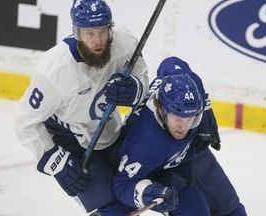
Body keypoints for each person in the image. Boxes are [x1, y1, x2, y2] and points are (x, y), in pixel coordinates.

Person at [13, 0, 148, 214]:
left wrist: (135, 88)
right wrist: (55, 161)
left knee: (137, 194)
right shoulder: (54, 71)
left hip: (110, 131)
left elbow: (142, 76)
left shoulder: (126, 43)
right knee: (112, 210)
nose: (98, 41)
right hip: (70, 140)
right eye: (90, 33)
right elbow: (24, 122)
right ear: (76, 32)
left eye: (103, 32)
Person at [112, 56, 247, 215]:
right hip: (159, 168)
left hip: (192, 150)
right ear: (161, 110)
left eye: (189, 118)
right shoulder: (144, 144)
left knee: (229, 206)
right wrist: (147, 193)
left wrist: (205, 114)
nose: (183, 127)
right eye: (177, 119)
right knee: (194, 209)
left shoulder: (189, 87)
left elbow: (171, 62)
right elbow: (121, 185)